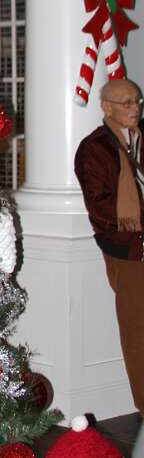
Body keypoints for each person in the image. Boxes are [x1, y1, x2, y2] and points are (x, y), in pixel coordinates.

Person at [75, 77, 144, 413]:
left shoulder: (141, 139)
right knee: (138, 331)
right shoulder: (94, 149)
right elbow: (101, 207)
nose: (135, 108)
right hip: (130, 250)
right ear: (106, 107)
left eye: (137, 101)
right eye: (126, 102)